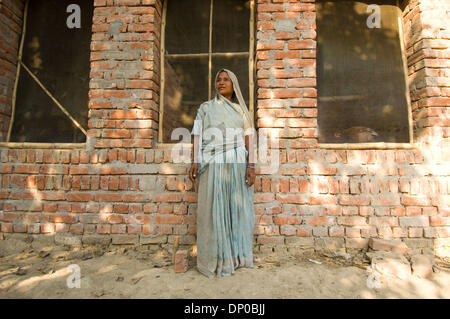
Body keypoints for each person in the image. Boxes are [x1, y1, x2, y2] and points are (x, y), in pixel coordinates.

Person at [189, 68, 256, 278]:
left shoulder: (240, 111)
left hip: (236, 164)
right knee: (212, 210)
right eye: (218, 79)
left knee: (233, 210)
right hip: (212, 163)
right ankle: (214, 259)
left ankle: (235, 259)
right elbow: (197, 133)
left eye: (226, 79)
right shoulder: (206, 108)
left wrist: (251, 165)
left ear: (233, 84)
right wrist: (195, 159)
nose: (221, 82)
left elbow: (249, 139)